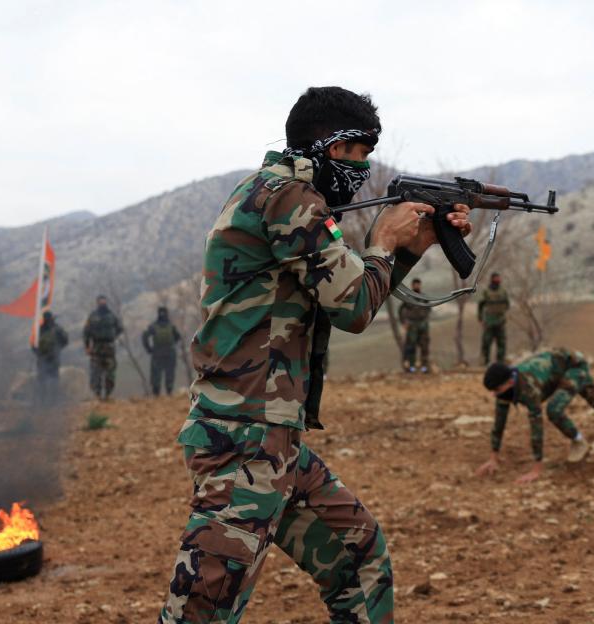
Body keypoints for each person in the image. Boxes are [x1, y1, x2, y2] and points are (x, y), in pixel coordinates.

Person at [159, 86, 471, 624]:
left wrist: (414, 243)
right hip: (242, 441)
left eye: (367, 155)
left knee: (360, 560)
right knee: (202, 611)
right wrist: (385, 240)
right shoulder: (285, 198)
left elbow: (350, 295)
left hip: (272, 440)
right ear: (319, 144)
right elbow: (351, 305)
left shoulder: (294, 200)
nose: (359, 166)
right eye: (350, 153)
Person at [476, 348, 594, 484]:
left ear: (509, 382)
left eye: (497, 390)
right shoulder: (505, 390)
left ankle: (580, 441)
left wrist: (536, 469)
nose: (494, 394)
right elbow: (499, 423)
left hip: (573, 366)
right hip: (555, 373)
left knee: (555, 410)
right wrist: (493, 458)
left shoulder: (527, 389)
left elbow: (536, 427)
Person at [83, 295, 124, 400]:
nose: (102, 303)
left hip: (109, 347)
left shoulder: (112, 316)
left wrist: (113, 336)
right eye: (100, 301)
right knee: (96, 371)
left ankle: (107, 394)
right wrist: (87, 346)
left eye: (104, 301)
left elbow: (120, 328)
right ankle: (97, 393)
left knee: (110, 371)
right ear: (97, 303)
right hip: (96, 347)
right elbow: (86, 332)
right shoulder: (92, 316)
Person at [142, 306, 182, 396]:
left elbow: (144, 336)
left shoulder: (153, 326)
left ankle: (156, 393)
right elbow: (178, 337)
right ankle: (169, 392)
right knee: (170, 373)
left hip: (157, 352)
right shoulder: (171, 326)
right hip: (169, 352)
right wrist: (172, 345)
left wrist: (149, 349)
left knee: (156, 374)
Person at [32, 311, 69, 406]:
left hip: (45, 358)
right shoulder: (56, 329)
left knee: (44, 380)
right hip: (51, 357)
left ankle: (44, 402)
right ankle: (52, 401)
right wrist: (58, 349)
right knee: (52, 380)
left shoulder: (39, 329)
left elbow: (33, 345)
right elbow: (65, 341)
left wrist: (38, 353)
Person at [398, 278, 431, 373]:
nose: (417, 286)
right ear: (412, 285)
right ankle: (411, 367)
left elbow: (428, 309)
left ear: (420, 285)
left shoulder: (424, 297)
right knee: (411, 347)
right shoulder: (408, 297)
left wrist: (425, 319)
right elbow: (400, 311)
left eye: (418, 284)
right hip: (412, 325)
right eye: (415, 284)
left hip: (423, 325)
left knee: (424, 346)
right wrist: (403, 322)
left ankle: (425, 367)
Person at [477, 272, 509, 365]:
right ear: (492, 280)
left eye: (498, 278)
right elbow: (480, 305)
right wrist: (480, 317)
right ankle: (486, 361)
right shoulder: (486, 292)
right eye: (496, 278)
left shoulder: (503, 291)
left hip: (500, 321)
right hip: (489, 322)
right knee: (486, 342)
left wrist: (502, 314)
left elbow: (507, 304)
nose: (498, 280)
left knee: (501, 343)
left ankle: (500, 362)